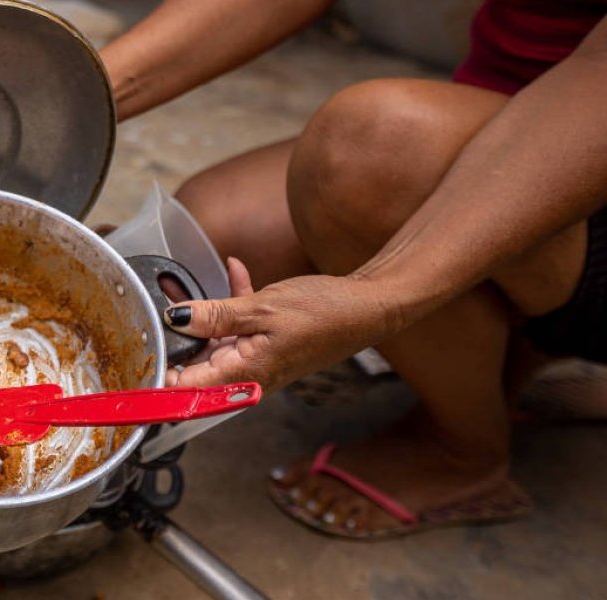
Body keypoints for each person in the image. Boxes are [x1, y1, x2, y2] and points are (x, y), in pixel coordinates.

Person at [98, 0, 607, 539]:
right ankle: (510, 353)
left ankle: (463, 453)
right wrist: (64, 97)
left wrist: (375, 297)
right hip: (498, 120)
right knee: (213, 239)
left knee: (370, 152)